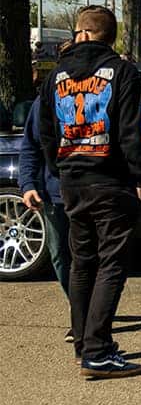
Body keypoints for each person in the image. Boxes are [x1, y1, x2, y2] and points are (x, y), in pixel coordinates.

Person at [39, 5, 141, 379]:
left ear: (81, 32)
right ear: (110, 36)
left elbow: (46, 131)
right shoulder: (122, 72)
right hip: (110, 179)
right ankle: (98, 351)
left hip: (72, 180)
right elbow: (130, 129)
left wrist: (60, 168)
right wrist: (140, 176)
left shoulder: (56, 75)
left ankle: (85, 344)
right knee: (112, 264)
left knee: (82, 262)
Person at [19, 88, 72, 341]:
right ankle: (79, 305)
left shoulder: (101, 92)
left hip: (93, 193)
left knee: (92, 256)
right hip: (54, 194)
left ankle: (87, 315)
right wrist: (28, 184)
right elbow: (30, 146)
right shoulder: (45, 101)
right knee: (60, 254)